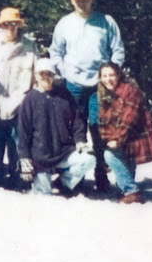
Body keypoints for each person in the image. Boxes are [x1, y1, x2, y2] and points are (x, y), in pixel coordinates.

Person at [48, 0, 125, 192]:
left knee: (99, 128)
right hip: (73, 84)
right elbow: (55, 52)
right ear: (72, 1)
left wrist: (111, 75)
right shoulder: (65, 24)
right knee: (74, 128)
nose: (82, 3)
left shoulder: (105, 22)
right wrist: (64, 73)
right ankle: (77, 176)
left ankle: (101, 173)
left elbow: (117, 50)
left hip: (98, 85)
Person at [0, 7, 39, 190]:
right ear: (0, 25)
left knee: (18, 148)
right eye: (6, 24)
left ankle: (18, 178)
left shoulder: (30, 46)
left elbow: (36, 78)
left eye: (14, 24)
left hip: (20, 106)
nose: (10, 27)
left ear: (19, 25)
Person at [14, 58, 94, 196]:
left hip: (63, 152)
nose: (45, 77)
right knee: (45, 196)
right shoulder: (29, 99)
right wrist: (25, 158)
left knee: (89, 160)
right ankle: (42, 184)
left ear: (54, 75)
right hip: (40, 157)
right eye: (41, 74)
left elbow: (77, 121)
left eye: (49, 74)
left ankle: (64, 182)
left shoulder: (64, 95)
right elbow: (23, 132)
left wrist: (80, 141)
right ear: (36, 76)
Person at [95, 62, 152, 204]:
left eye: (111, 75)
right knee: (121, 180)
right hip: (125, 137)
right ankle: (127, 189)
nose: (108, 79)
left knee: (110, 155)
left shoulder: (129, 90)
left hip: (135, 137)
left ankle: (132, 192)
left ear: (118, 75)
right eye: (104, 76)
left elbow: (128, 118)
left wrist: (117, 139)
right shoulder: (105, 94)